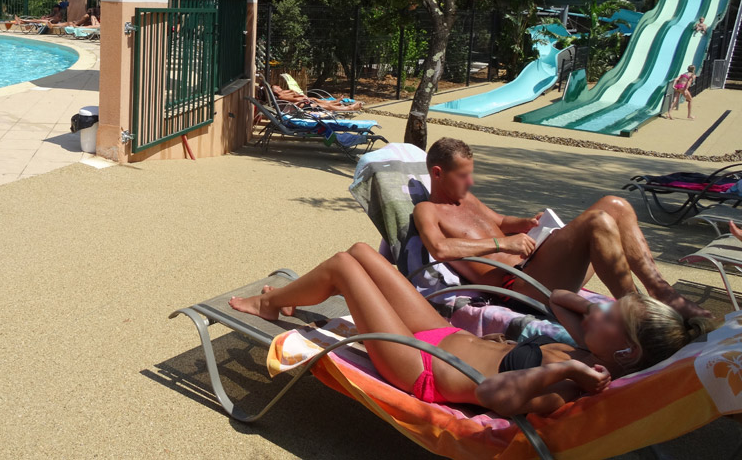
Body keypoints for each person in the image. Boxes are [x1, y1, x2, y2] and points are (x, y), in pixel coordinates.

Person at [230, 243, 711, 413]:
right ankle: (284, 300)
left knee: (342, 267)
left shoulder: (572, 387)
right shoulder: (588, 351)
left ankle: (270, 303)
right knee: (362, 252)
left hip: (419, 368)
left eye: (610, 316)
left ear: (626, 353)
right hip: (443, 335)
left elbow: (497, 397)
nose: (598, 310)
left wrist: (572, 371)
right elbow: (562, 299)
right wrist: (599, 326)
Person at [413, 137, 711, 319]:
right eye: (464, 175)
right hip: (518, 285)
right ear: (438, 173)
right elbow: (439, 248)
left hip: (538, 266)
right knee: (597, 222)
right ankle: (634, 312)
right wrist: (504, 244)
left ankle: (661, 291)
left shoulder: (467, 198)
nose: (471, 182)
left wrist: (528, 223)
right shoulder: (426, 210)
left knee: (615, 205)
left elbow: (501, 222)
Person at [270, 83, 364, 112]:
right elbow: (294, 99)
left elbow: (293, 95)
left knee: (317, 102)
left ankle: (336, 103)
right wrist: (303, 99)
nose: (279, 86)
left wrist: (302, 98)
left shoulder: (281, 94)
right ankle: (349, 108)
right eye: (277, 87)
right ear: (275, 90)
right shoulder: (281, 95)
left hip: (299, 105)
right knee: (322, 105)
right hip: (298, 107)